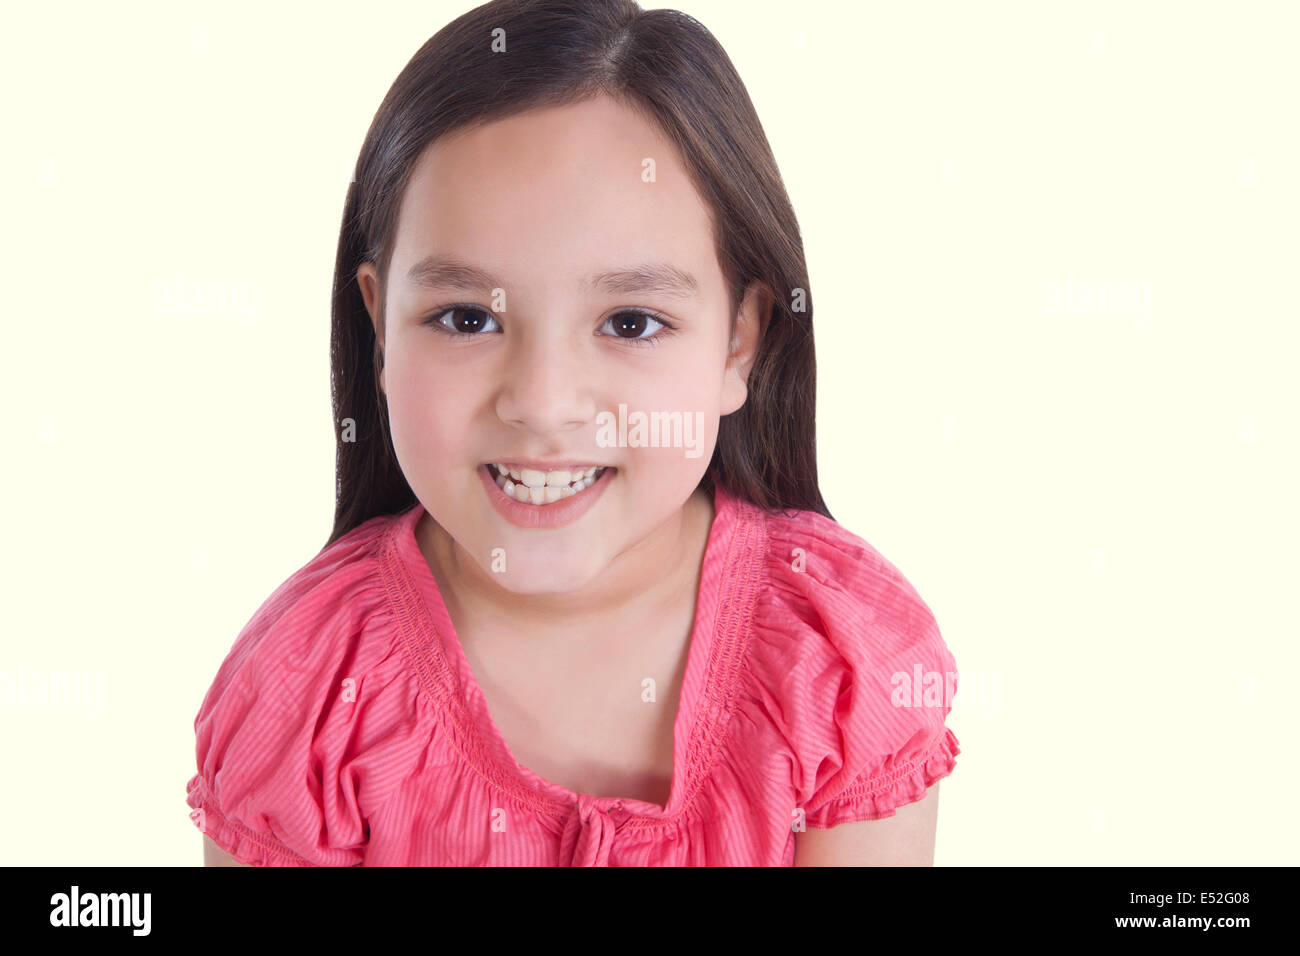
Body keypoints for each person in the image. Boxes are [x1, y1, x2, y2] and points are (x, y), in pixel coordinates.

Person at [186, 0, 960, 866]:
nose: (545, 404)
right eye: (466, 318)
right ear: (379, 326)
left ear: (739, 341)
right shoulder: (308, 691)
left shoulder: (840, 661)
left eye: (630, 322)